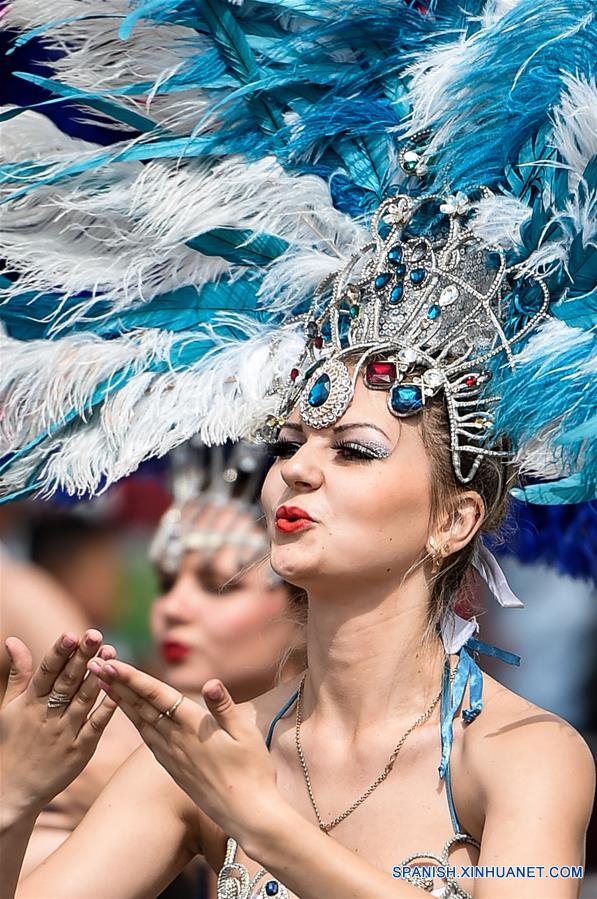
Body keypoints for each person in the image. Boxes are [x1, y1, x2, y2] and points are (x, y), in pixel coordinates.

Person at [0, 1, 595, 898]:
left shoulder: (524, 756)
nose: (297, 468)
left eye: (354, 450)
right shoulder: (208, 752)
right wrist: (13, 794)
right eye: (286, 443)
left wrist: (260, 821)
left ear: (452, 518)